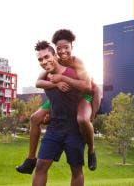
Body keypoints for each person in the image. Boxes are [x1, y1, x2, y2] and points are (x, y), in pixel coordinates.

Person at [16, 29, 102, 174]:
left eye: (66, 47)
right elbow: (38, 82)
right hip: (63, 95)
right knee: (35, 118)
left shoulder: (77, 62)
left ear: (72, 47)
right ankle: (30, 160)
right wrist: (55, 85)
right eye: (59, 49)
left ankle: (91, 151)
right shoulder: (54, 61)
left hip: (84, 94)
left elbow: (90, 88)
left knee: (83, 119)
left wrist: (92, 115)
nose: (62, 52)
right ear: (55, 51)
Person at [32, 41, 85, 186]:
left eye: (47, 56)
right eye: (40, 59)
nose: (44, 61)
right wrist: (49, 115)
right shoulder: (45, 77)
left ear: (55, 55)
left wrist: (88, 116)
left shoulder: (73, 73)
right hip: (54, 127)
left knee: (76, 170)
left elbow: (89, 90)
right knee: (41, 165)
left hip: (74, 129)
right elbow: (38, 84)